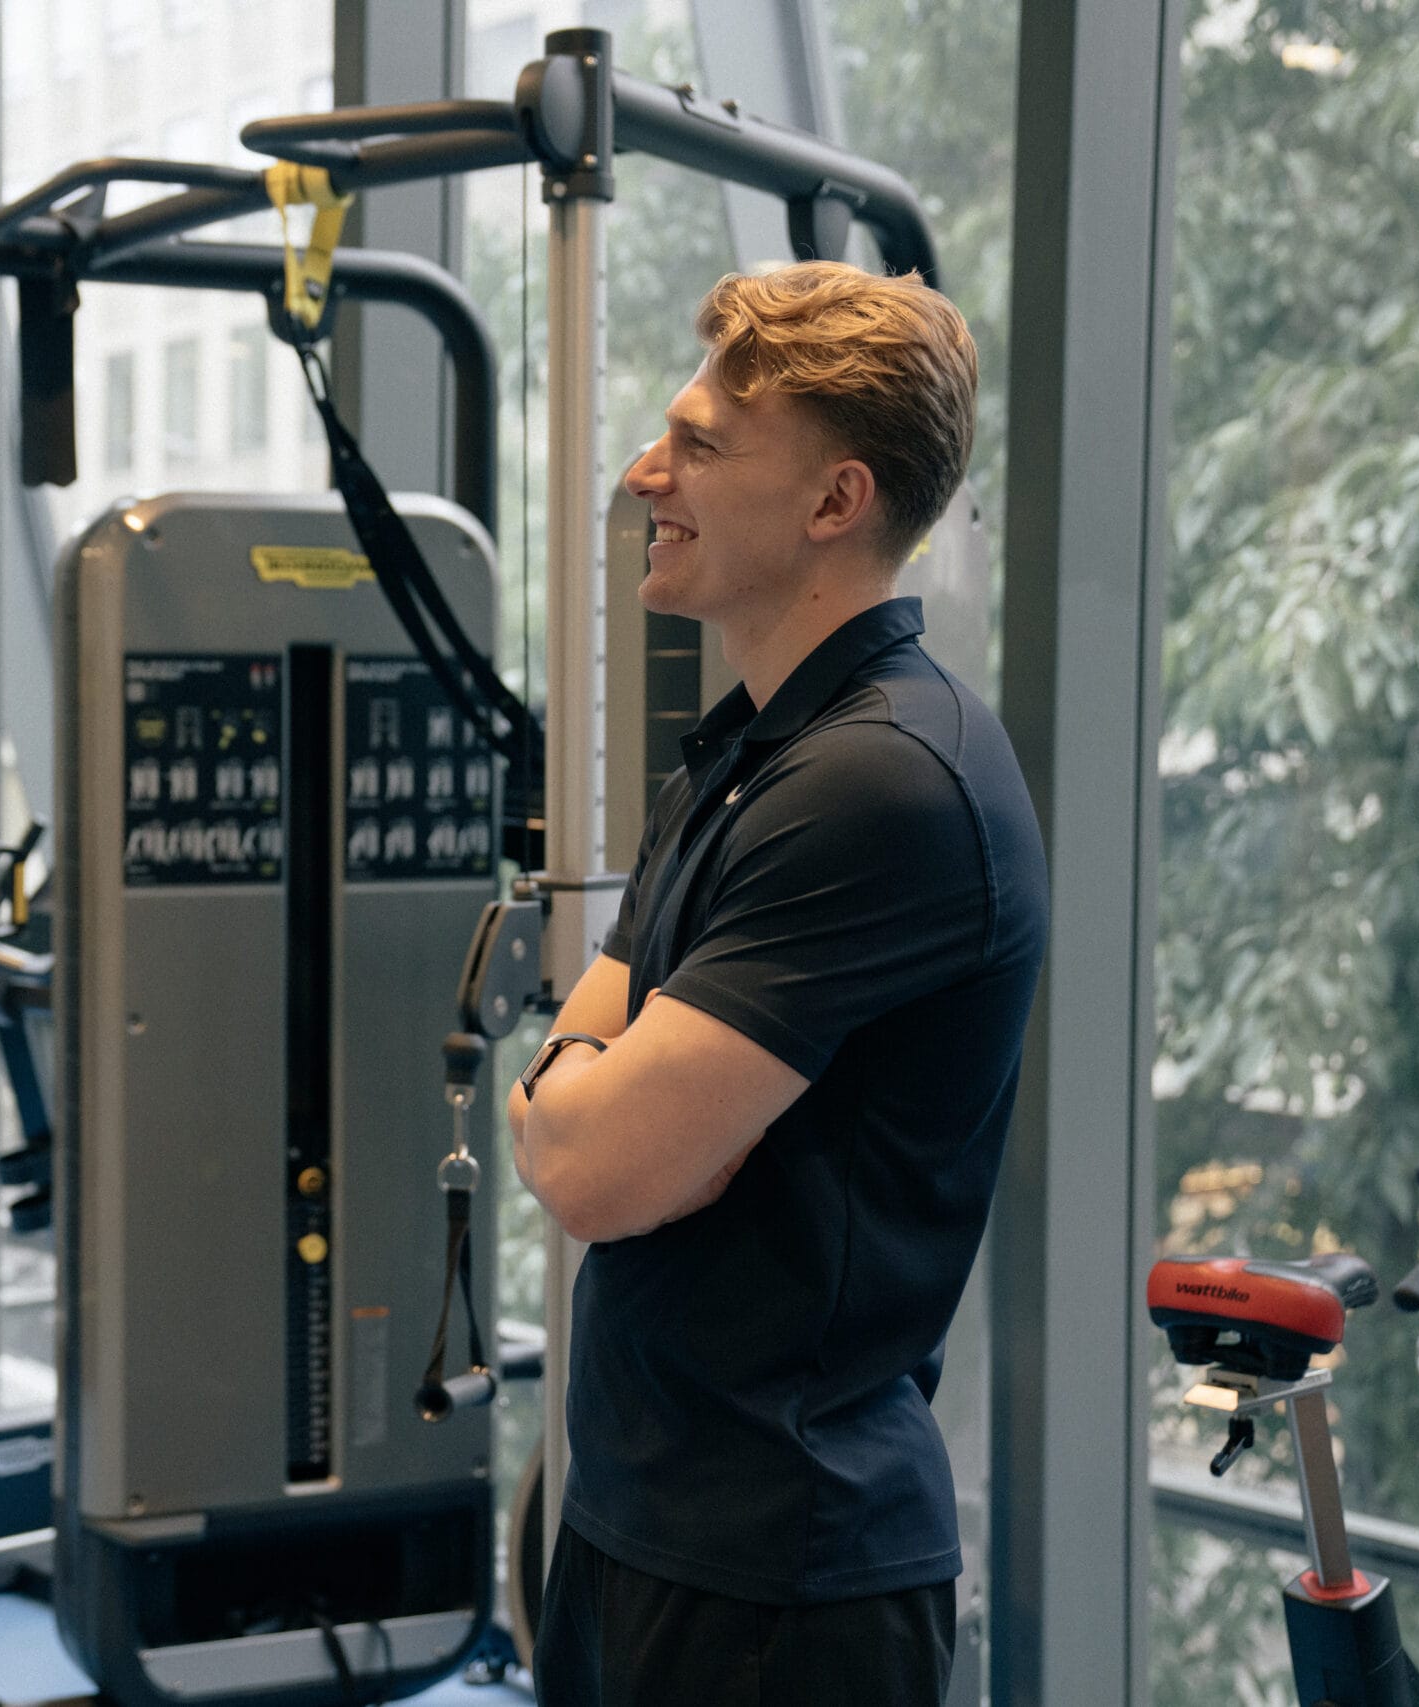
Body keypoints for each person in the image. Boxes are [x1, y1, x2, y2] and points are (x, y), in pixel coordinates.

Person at [507, 261, 1047, 1705]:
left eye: (699, 446)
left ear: (833, 503)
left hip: (782, 1578)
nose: (645, 471)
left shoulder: (883, 783)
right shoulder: (754, 746)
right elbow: (601, 1082)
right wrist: (593, 1093)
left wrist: (576, 1091)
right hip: (648, 1526)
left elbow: (590, 1168)